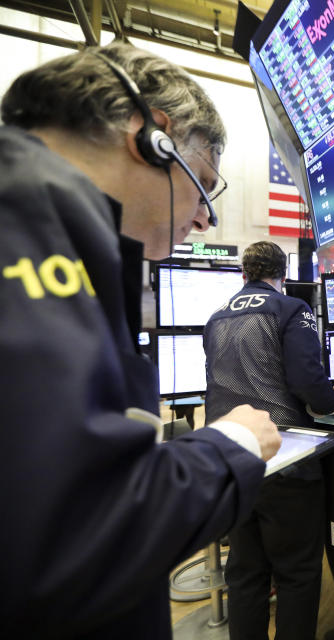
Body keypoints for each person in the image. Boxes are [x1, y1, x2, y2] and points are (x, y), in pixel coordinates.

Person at [0, 43, 281, 637]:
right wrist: (229, 448)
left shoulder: (50, 222)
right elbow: (72, 536)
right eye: (203, 183)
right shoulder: (23, 216)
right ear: (151, 136)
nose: (206, 220)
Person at [204, 241, 334, 640]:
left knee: (245, 574)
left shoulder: (216, 317)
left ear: (244, 274)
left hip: (233, 464)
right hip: (285, 461)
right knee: (296, 575)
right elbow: (310, 386)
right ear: (284, 276)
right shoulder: (292, 309)